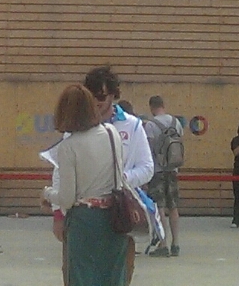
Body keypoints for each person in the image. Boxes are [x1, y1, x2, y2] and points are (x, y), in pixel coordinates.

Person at [44, 85, 131, 286]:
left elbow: (67, 198)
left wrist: (47, 194)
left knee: (82, 277)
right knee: (113, 277)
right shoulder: (111, 133)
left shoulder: (68, 147)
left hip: (84, 221)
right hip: (115, 217)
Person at [83, 68, 153, 277]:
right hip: (85, 213)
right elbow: (61, 169)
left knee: (119, 275)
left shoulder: (132, 125)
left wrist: (122, 179)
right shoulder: (78, 124)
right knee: (81, 275)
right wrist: (59, 214)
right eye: (91, 95)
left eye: (101, 96)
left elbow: (147, 168)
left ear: (113, 94)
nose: (96, 101)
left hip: (120, 212)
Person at [142, 96, 183, 256]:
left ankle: (163, 243)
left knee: (159, 208)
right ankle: (176, 243)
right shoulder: (176, 122)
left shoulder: (151, 125)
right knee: (173, 206)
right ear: (163, 105)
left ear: (151, 107)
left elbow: (148, 149)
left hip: (157, 171)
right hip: (173, 169)